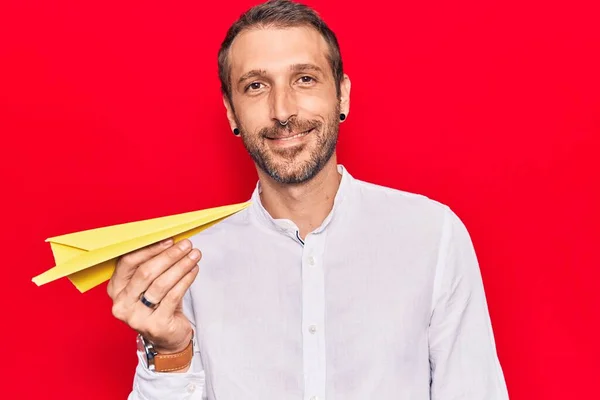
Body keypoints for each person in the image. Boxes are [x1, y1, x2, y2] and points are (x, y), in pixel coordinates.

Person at [107, 0, 510, 399]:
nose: (282, 110)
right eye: (256, 86)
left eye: (304, 79)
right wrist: (171, 352)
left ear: (343, 96)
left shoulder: (432, 236)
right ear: (231, 112)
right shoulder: (188, 263)